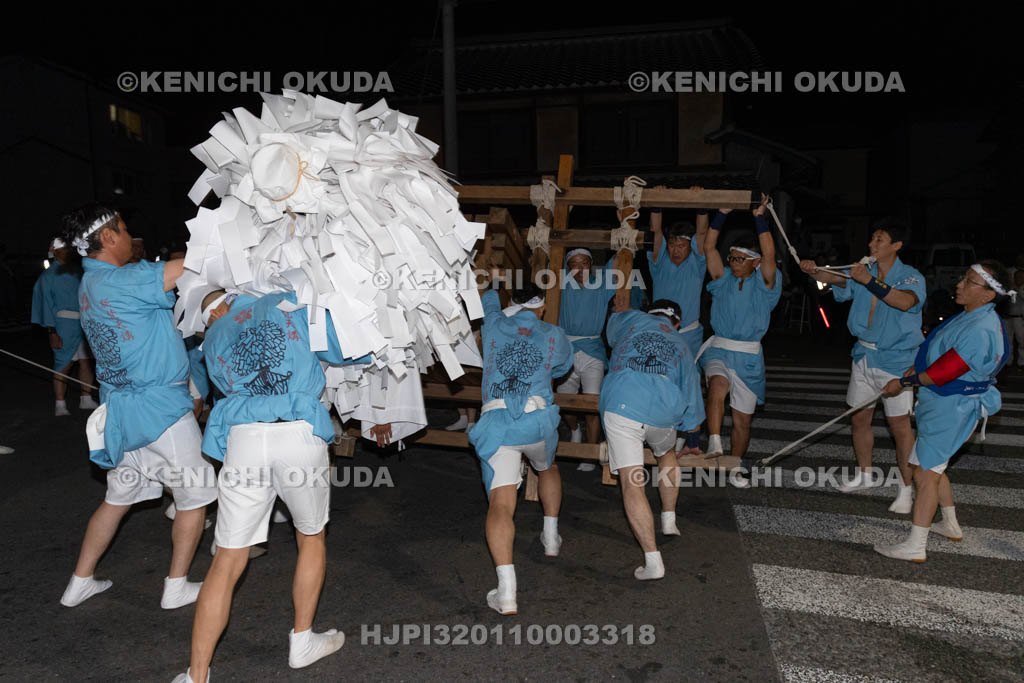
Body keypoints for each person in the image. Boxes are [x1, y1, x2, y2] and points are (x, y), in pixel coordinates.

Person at [174, 289, 366, 682]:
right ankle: (302, 640)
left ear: (216, 311)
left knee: (227, 559)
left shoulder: (214, 336)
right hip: (297, 432)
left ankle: (196, 675)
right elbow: (349, 349)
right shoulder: (289, 303)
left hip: (244, 437)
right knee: (310, 537)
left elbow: (217, 385)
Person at [59, 203, 217, 609]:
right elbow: (192, 265)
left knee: (117, 498)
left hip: (122, 413)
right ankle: (176, 586)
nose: (131, 237)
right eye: (125, 229)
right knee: (195, 497)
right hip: (161, 412)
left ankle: (79, 581)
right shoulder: (123, 279)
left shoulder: (89, 284)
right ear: (108, 236)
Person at [874, 261, 1011, 561]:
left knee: (925, 474)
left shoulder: (980, 328)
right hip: (946, 403)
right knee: (934, 466)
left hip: (953, 407)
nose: (959, 284)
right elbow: (941, 355)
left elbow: (945, 371)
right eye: (963, 277)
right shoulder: (976, 315)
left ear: (988, 294)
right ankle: (949, 524)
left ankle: (915, 545)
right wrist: (917, 370)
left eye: (970, 281)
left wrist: (905, 382)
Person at [799, 220, 925, 511]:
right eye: (872, 238)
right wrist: (814, 270)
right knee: (859, 418)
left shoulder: (911, 276)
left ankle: (907, 488)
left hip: (896, 359)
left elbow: (905, 302)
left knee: (900, 427)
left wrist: (868, 281)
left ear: (896, 246)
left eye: (879, 239)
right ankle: (865, 474)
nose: (871, 244)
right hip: (863, 355)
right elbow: (837, 279)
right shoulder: (863, 270)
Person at [468, 280, 573, 614]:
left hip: (498, 423)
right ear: (541, 308)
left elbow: (488, 300)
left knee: (500, 503)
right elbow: (562, 367)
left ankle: (507, 591)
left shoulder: (494, 322)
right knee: (548, 467)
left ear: (512, 304)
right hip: (536, 421)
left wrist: (492, 282)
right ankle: (551, 537)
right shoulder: (553, 332)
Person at [600, 298, 704, 580]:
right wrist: (692, 435)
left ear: (650, 313)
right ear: (677, 323)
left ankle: (653, 561)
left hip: (623, 402)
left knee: (632, 482)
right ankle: (669, 519)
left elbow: (610, 334)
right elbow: (692, 398)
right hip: (663, 409)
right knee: (666, 455)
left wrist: (618, 312)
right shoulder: (682, 345)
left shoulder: (631, 319)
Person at [699, 195, 781, 469]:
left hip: (748, 357)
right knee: (717, 386)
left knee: (742, 421)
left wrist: (760, 219)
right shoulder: (722, 280)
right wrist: (722, 213)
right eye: (731, 257)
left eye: (739, 258)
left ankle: (734, 464)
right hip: (719, 348)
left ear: (754, 263)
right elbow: (709, 247)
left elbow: (769, 255)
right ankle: (713, 442)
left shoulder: (765, 284)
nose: (733, 262)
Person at [647, 186, 709, 453]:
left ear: (690, 246)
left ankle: (691, 439)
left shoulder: (697, 263)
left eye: (682, 245)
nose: (675, 249)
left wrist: (701, 201)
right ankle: (660, 433)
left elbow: (702, 233)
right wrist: (658, 201)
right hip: (660, 332)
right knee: (659, 381)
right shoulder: (659, 263)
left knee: (689, 381)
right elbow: (656, 232)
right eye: (672, 244)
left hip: (689, 333)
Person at [557, 248, 614, 470]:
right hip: (566, 351)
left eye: (585, 263)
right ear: (567, 268)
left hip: (593, 352)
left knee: (592, 403)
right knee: (564, 401)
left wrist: (624, 239)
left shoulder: (601, 285)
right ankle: (574, 430)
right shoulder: (560, 284)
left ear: (591, 266)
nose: (580, 268)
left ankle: (590, 453)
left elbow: (619, 260)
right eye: (574, 264)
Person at [31, 235, 98, 415]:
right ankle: (60, 403)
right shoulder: (48, 276)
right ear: (55, 251)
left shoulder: (77, 271)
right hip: (63, 324)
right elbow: (45, 304)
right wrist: (52, 331)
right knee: (64, 363)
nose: (68, 252)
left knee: (85, 361)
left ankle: (86, 398)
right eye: (64, 249)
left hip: (83, 322)